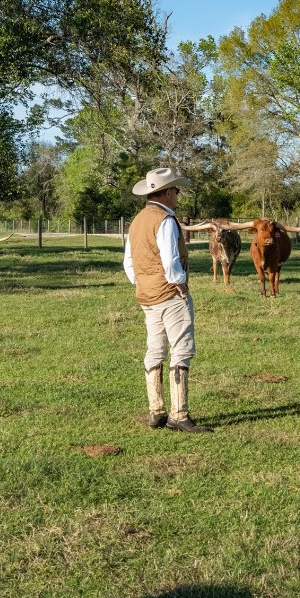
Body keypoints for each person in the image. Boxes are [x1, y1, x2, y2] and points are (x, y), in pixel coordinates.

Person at [122, 167, 212, 433]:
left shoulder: (137, 221)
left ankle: (156, 411)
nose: (177, 194)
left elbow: (129, 262)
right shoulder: (166, 220)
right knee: (181, 349)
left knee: (155, 349)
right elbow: (170, 260)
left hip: (147, 295)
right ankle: (179, 415)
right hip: (170, 294)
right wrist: (180, 283)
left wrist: (142, 282)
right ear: (167, 192)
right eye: (176, 190)